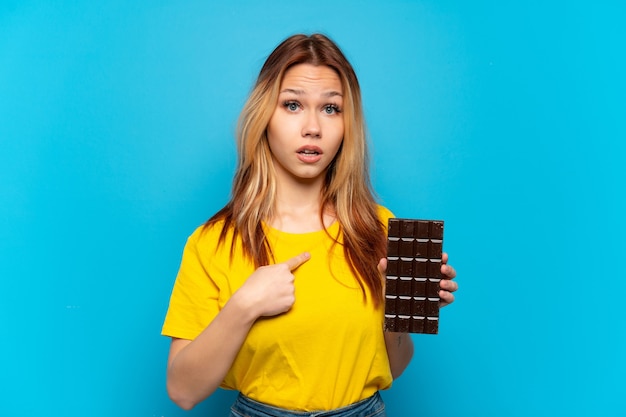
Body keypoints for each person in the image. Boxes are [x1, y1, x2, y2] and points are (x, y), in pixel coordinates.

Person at [161, 33, 458, 416]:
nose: (313, 127)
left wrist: (398, 307)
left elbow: (394, 368)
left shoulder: (379, 228)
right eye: (293, 105)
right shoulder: (214, 242)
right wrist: (244, 306)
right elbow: (183, 391)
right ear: (264, 115)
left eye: (331, 109)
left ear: (347, 124)